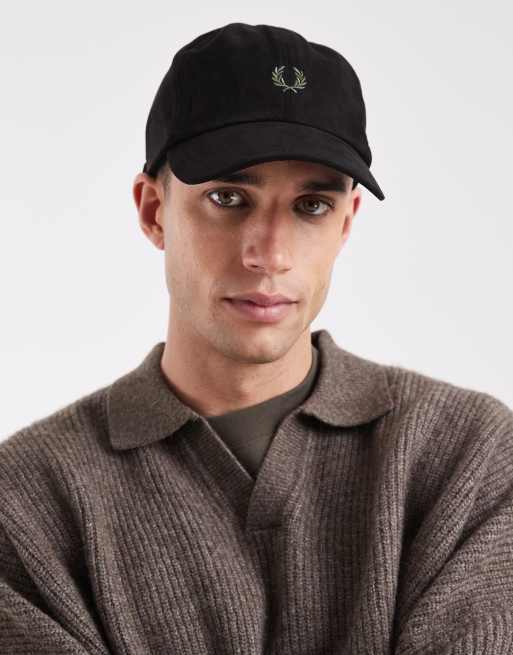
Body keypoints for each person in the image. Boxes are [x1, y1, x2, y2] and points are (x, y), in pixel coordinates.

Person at [1, 22, 512, 655]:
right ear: (154, 211)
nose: (270, 254)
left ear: (346, 222)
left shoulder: (468, 458)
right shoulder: (27, 502)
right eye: (228, 197)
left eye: (311, 206)